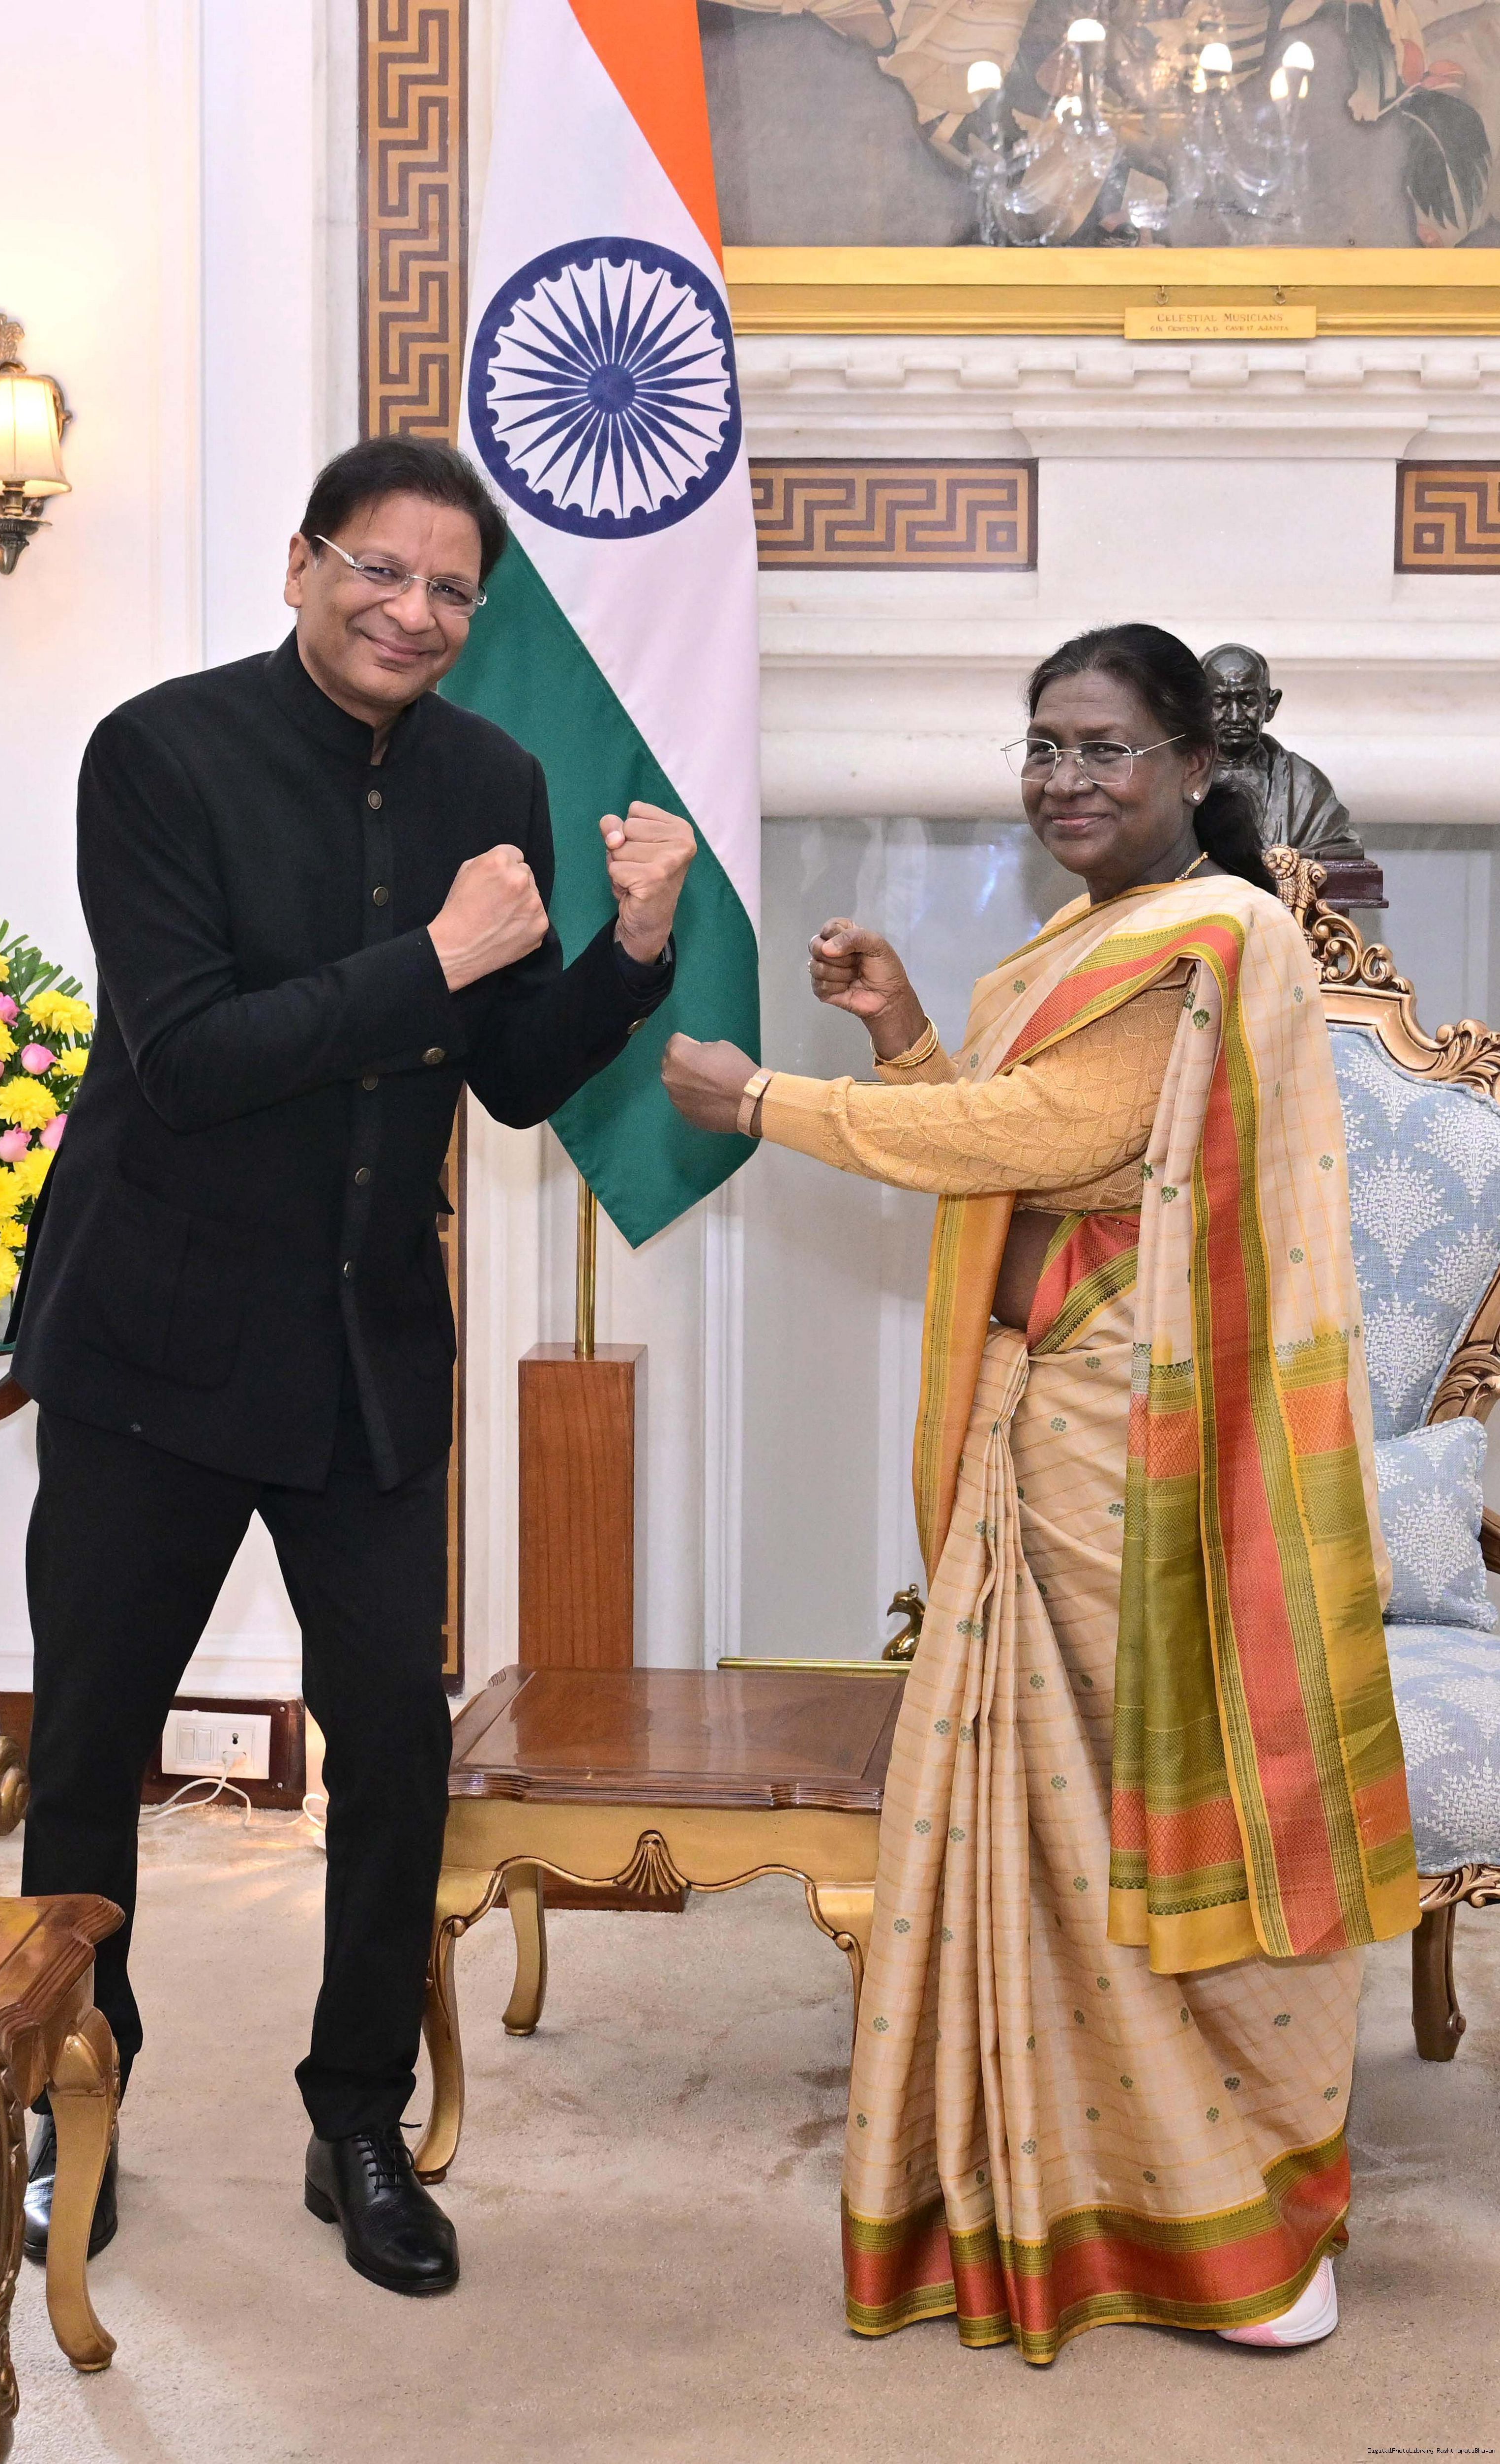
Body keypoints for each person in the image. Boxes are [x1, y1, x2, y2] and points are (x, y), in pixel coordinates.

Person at [662, 623, 1417, 2362]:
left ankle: (1229, 2221)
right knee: (1048, 1837)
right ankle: (1067, 2188)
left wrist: (764, 1099)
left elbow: (1037, 1142)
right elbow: (1013, 1148)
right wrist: (901, 1031)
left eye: (1101, 748)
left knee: (1140, 1831)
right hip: (1043, 1423)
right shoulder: (1077, 944)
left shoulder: (1214, 933)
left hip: (1141, 1447)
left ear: (1193, 769)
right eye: (1041, 746)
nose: (1063, 778)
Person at [12, 435, 694, 2297]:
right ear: (302, 562)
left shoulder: (494, 775)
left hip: (368, 1351)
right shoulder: (157, 753)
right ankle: (74, 2096)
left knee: (393, 1743)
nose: (411, 610)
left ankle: (357, 2118)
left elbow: (516, 1075)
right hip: (153, 1343)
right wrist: (443, 951)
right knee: (90, 1746)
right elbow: (190, 1056)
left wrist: (630, 950)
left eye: (448, 589)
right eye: (378, 569)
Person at [1202, 641, 1366, 859]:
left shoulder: (1305, 785)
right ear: (1199, 706)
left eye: (1248, 701)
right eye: (1220, 703)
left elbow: (1341, 850)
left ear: (1270, 705)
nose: (1235, 716)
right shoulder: (1175, 777)